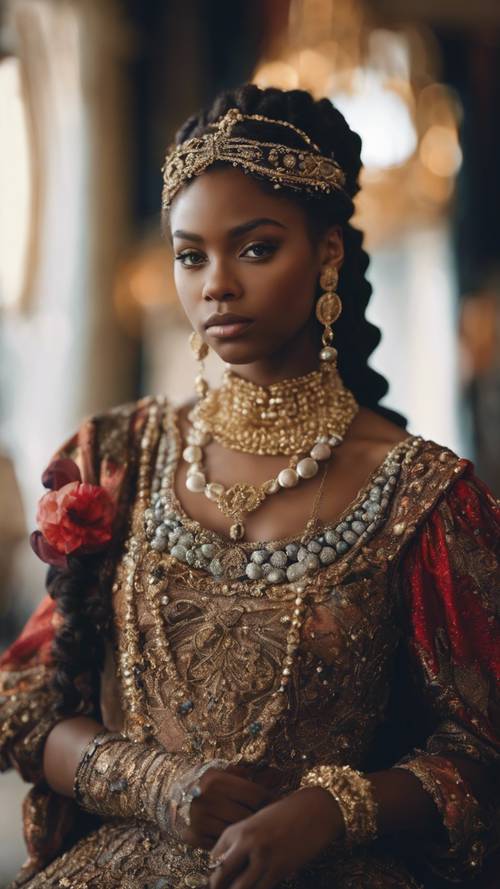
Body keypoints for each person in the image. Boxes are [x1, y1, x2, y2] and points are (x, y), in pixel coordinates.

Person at [0, 84, 498, 889]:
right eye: (191, 254)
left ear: (329, 253)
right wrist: (156, 784)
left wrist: (336, 809)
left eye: (256, 249)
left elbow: (479, 750)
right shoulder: (117, 453)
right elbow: (23, 702)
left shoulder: (425, 494)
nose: (216, 284)